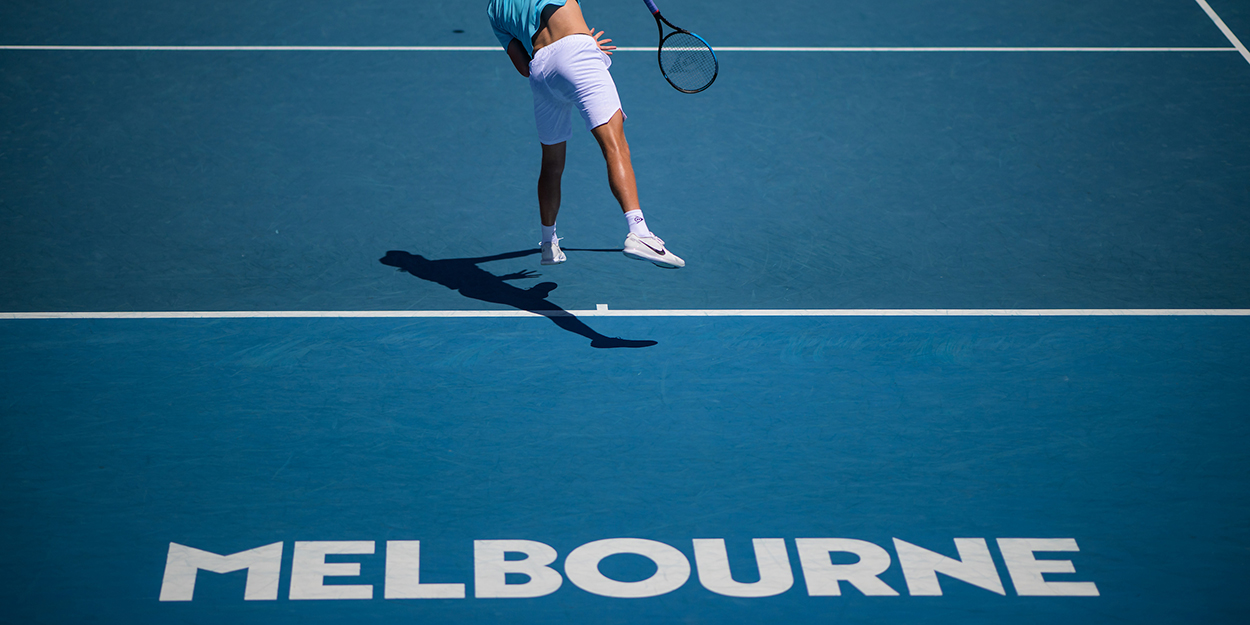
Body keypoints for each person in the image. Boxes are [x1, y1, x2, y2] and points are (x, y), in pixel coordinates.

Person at [487, 0, 685, 269]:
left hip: (541, 71)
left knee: (552, 164)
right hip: (577, 53)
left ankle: (548, 244)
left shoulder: (494, 10)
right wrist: (576, 41)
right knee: (615, 145)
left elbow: (524, 66)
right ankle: (640, 233)